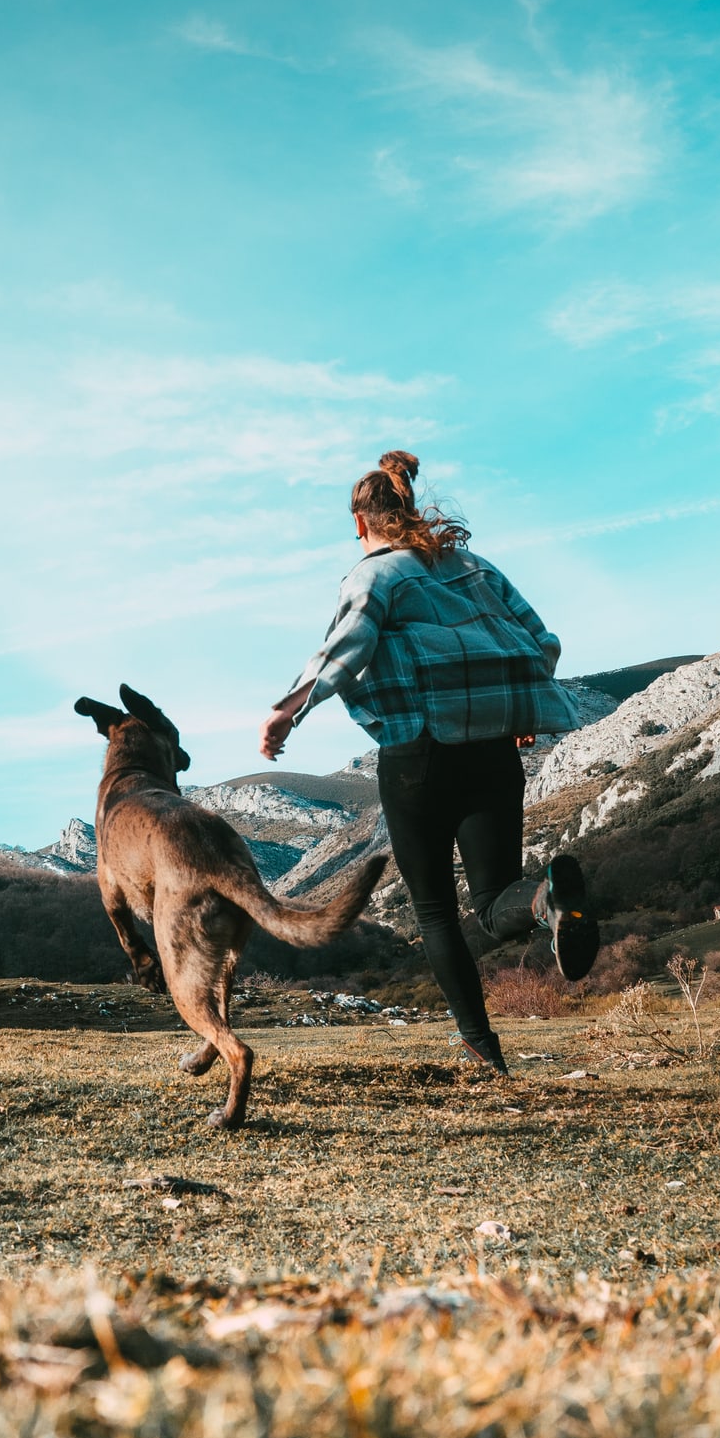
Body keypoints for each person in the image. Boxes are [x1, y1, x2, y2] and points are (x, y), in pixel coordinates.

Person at [259, 449, 598, 1072]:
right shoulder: (475, 568)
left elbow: (349, 642)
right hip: (492, 752)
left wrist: (291, 708)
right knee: (497, 901)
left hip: (418, 757)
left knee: (436, 912)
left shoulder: (372, 576)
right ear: (410, 507)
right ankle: (546, 901)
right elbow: (541, 640)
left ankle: (480, 1048)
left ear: (359, 524)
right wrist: (513, 712)